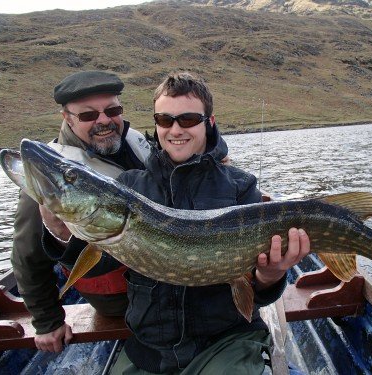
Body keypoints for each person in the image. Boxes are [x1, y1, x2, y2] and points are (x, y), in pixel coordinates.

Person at [110, 72, 311, 374]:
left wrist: (269, 276)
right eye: (165, 120)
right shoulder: (129, 187)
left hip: (225, 342)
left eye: (188, 119)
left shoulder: (240, 186)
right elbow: (95, 265)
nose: (175, 129)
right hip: (149, 349)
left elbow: (256, 289)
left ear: (210, 122)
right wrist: (59, 233)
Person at [10, 70, 150, 353]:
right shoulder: (51, 183)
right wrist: (47, 321)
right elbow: (26, 254)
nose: (104, 121)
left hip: (163, 269)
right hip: (122, 296)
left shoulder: (136, 143)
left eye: (113, 110)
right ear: (67, 119)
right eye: (88, 115)